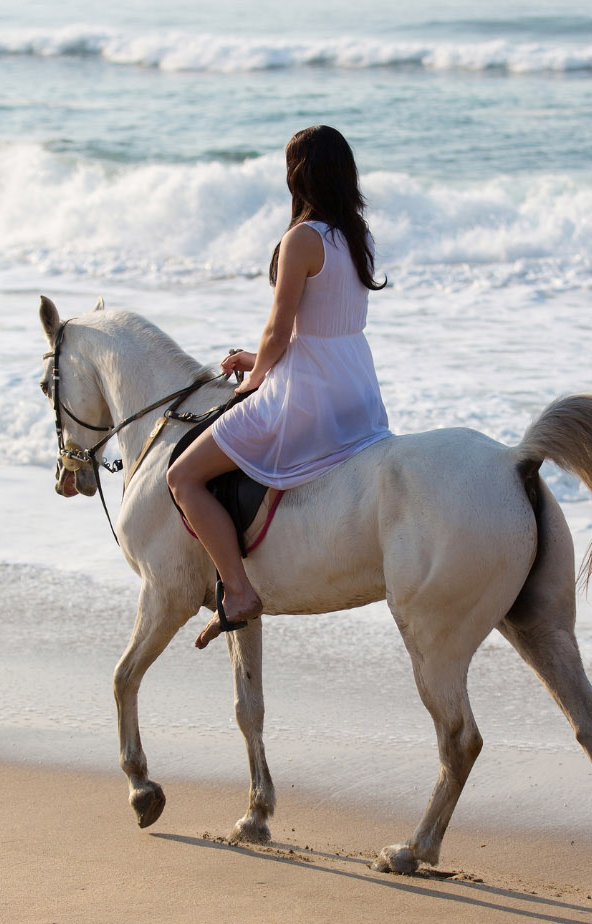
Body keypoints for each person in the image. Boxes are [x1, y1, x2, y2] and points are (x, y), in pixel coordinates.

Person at [166, 125, 394, 650]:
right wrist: (255, 357)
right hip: (355, 388)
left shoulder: (302, 239)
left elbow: (279, 330)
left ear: (300, 174)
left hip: (306, 394)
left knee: (183, 476)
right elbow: (320, 327)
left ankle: (240, 591)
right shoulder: (356, 235)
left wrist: (256, 379)